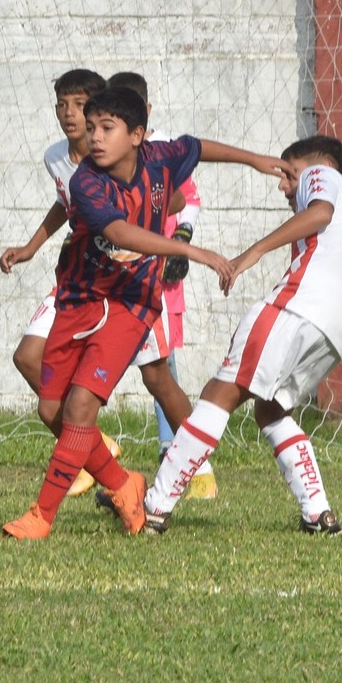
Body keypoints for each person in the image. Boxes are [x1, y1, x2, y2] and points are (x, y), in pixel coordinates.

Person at [1, 85, 284, 539]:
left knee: (81, 406)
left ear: (136, 135)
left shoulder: (161, 157)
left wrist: (255, 160)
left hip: (131, 302)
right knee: (51, 409)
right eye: (91, 128)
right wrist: (190, 250)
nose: (94, 137)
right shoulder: (86, 181)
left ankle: (42, 516)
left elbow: (197, 147)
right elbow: (119, 233)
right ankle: (123, 483)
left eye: (105, 128)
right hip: (79, 298)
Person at [139, 136, 342, 534]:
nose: (283, 185)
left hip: (297, 307)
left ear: (322, 165)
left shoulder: (321, 175)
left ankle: (155, 506)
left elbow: (320, 212)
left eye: (289, 173)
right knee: (270, 410)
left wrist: (254, 252)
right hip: (336, 334)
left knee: (221, 392)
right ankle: (318, 513)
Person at [0, 67, 122, 498]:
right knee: (27, 357)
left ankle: (194, 465)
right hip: (73, 280)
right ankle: (92, 450)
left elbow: (168, 197)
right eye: (62, 105)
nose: (69, 113)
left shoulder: (116, 158)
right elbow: (64, 203)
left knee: (158, 374)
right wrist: (31, 247)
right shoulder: (56, 157)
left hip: (117, 285)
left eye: (79, 105)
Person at [105, 71, 217, 500]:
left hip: (159, 277)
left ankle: (186, 457)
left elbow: (188, 199)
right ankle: (93, 452)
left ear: (145, 112)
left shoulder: (165, 149)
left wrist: (180, 244)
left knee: (160, 367)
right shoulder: (104, 154)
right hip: (116, 277)